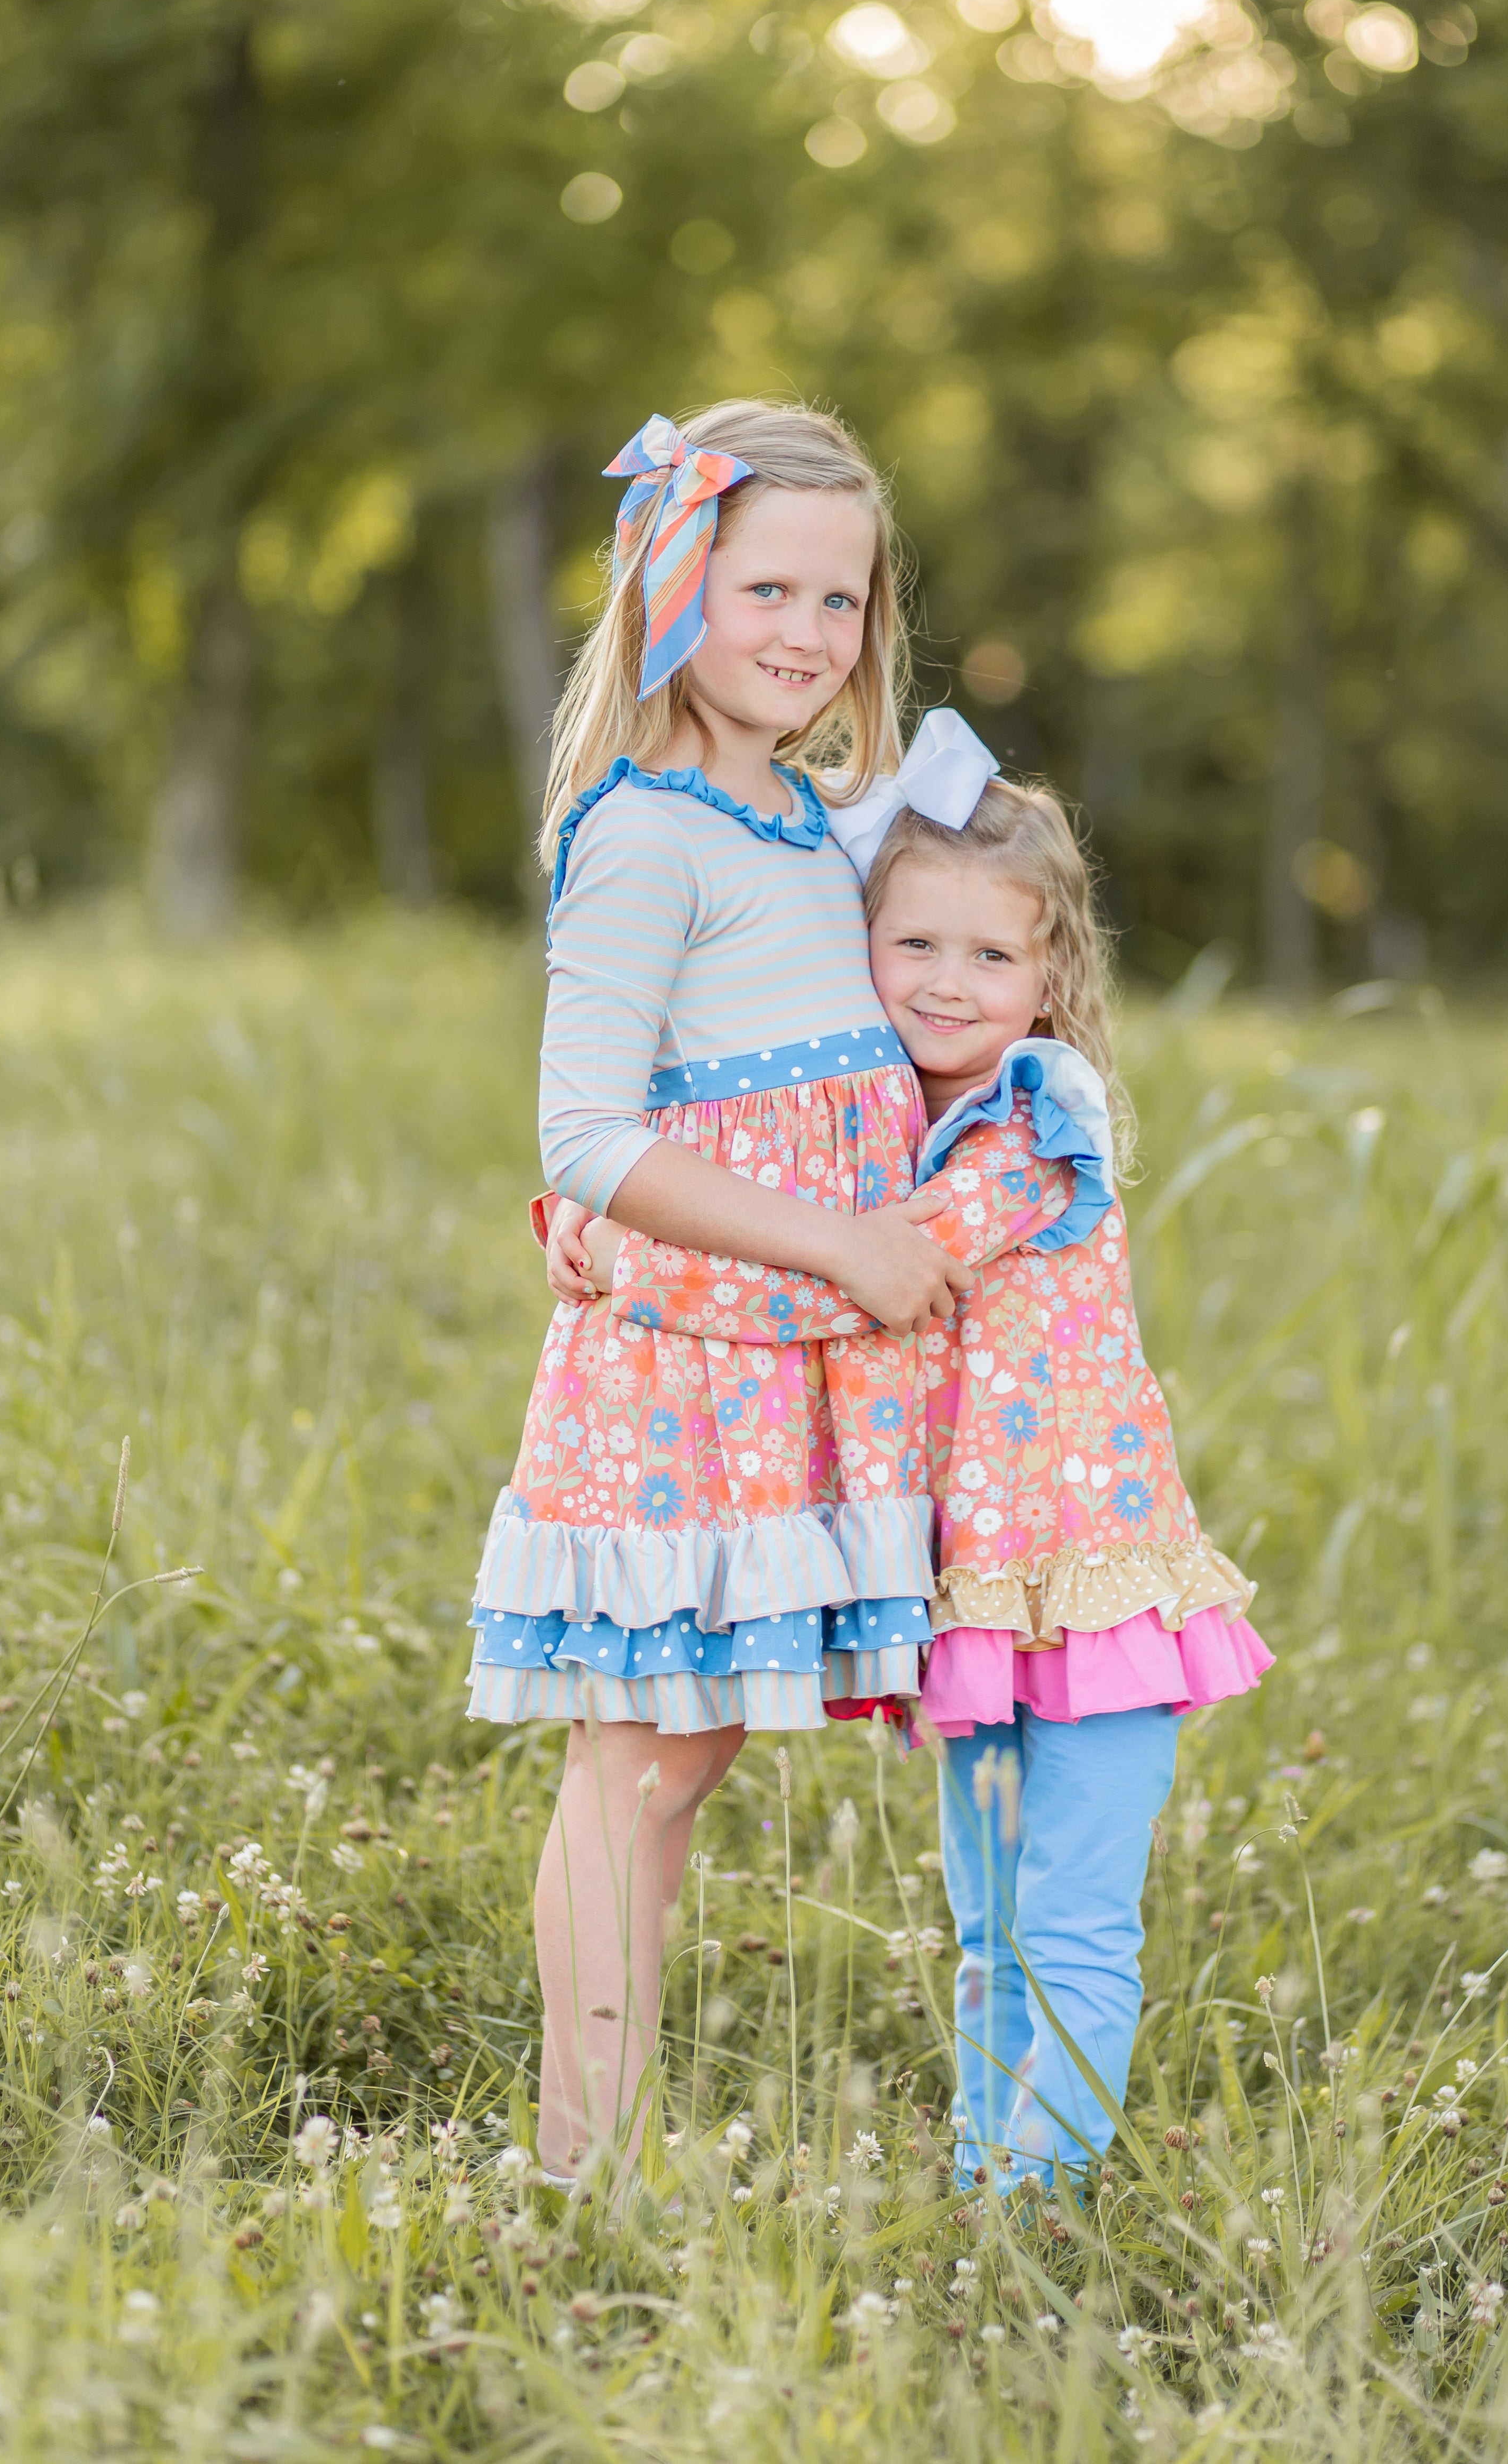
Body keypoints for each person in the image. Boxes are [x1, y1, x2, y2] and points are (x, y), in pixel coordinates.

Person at [558, 712, 1273, 2189]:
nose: (949, 985)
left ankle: (1040, 2213)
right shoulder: (893, 1126)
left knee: (1069, 1923)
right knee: (989, 1926)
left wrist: (619, 1248)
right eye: (917, 949)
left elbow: (853, 1276)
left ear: (1051, 976)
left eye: (992, 958)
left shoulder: (1030, 1121)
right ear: (863, 952)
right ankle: (985, 2188)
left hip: (1092, 1597)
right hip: (982, 1606)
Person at [468, 402, 971, 2184]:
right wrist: (841, 1241)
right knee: (640, 1767)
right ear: (673, 583)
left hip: (796, 1380)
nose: (808, 636)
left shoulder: (821, 822)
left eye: (842, 603)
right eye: (770, 587)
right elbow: (585, 1133)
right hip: (689, 1378)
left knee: (689, 1769)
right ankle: (573, 2161)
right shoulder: (646, 834)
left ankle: (597, 2151)